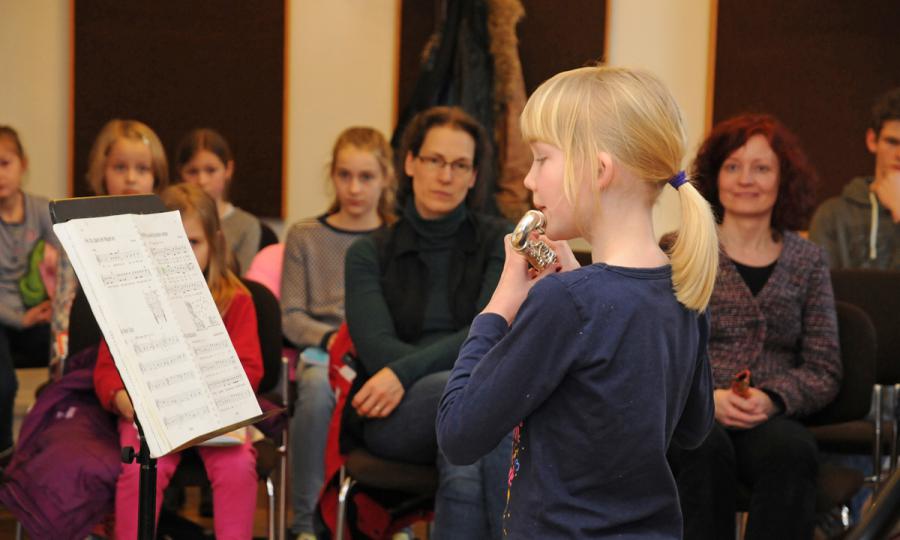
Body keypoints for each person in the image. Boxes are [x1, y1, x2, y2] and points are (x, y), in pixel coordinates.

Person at [436, 66, 719, 539]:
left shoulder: (566, 301)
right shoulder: (681, 284)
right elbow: (692, 428)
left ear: (599, 170)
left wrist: (500, 306)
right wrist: (581, 292)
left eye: (542, 159)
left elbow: (458, 433)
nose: (529, 179)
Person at [668, 113, 841, 539]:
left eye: (761, 168)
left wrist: (772, 399)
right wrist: (708, 398)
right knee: (698, 446)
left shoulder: (809, 260)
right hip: (697, 413)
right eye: (733, 166)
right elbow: (658, 350)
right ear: (713, 176)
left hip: (770, 418)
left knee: (794, 451)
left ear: (783, 179)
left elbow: (824, 367)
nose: (747, 179)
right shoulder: (680, 249)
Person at [343, 106, 511, 539]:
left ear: (474, 176)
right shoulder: (368, 253)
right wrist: (408, 375)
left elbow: (490, 331)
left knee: (465, 448)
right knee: (473, 398)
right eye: (435, 160)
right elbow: (377, 348)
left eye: (460, 165)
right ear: (410, 163)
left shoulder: (501, 242)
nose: (446, 176)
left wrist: (402, 372)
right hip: (391, 412)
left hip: (457, 396)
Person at [93, 183, 263, 540]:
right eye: (167, 242)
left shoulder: (237, 300)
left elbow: (249, 370)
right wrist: (123, 400)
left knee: (237, 466)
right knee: (140, 470)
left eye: (193, 243)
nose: (179, 255)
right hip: (153, 417)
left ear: (214, 243)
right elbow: (108, 370)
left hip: (214, 418)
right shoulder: (127, 299)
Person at [283, 126, 396, 540]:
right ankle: (308, 521)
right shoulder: (305, 236)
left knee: (394, 393)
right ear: (332, 175)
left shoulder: (394, 236)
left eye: (365, 177)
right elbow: (291, 316)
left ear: (385, 178)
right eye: (344, 175)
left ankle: (389, 516)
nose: (354, 188)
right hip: (322, 348)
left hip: (376, 348)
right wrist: (331, 341)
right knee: (314, 389)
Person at [50, 119, 169, 367]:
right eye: (119, 167)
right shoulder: (75, 228)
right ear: (101, 171)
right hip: (91, 356)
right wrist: (60, 366)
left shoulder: (165, 231)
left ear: (156, 176)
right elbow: (64, 308)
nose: (131, 178)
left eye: (143, 169)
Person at [0, 126, 58, 464]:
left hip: (39, 316)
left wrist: (55, 305)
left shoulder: (42, 209)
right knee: (3, 384)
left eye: (5, 163)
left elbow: (66, 263)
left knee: (75, 358)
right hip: (6, 320)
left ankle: (55, 449)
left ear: (23, 164)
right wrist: (19, 317)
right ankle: (5, 455)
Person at [810, 87, 900, 269]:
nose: (899, 154)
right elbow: (819, 291)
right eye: (892, 142)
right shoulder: (832, 215)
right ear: (872, 141)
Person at [176, 128, 262, 274]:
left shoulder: (247, 225)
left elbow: (240, 281)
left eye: (211, 170)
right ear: (180, 172)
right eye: (192, 172)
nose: (202, 181)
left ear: (228, 169)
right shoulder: (170, 219)